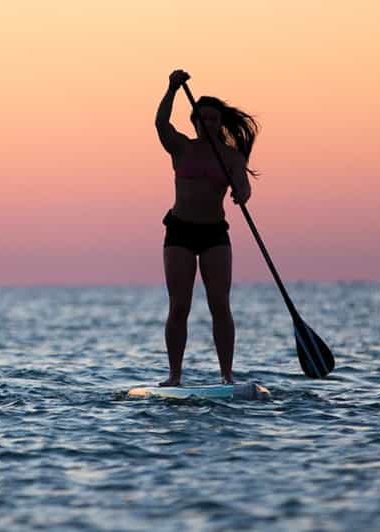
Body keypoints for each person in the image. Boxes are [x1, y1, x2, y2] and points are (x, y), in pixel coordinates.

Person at [154, 69, 259, 386]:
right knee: (179, 306)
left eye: (214, 119)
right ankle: (174, 376)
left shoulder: (231, 157)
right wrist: (172, 89)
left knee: (220, 306)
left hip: (214, 234)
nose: (208, 123)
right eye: (202, 118)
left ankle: (227, 375)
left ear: (220, 123)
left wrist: (242, 193)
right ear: (194, 122)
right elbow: (160, 124)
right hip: (180, 232)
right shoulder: (181, 147)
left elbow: (242, 185)